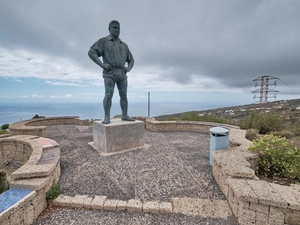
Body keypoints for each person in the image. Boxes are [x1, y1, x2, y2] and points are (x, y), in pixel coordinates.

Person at [88, 20, 135, 124]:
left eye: (118, 28)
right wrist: (102, 64)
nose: (117, 30)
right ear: (109, 29)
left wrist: (128, 68)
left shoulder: (124, 45)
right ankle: (107, 117)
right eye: (114, 27)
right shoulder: (104, 41)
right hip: (109, 73)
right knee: (109, 94)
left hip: (122, 73)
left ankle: (125, 115)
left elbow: (131, 59)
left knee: (124, 94)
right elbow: (92, 52)